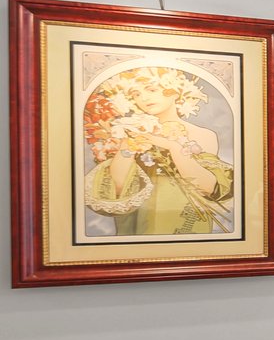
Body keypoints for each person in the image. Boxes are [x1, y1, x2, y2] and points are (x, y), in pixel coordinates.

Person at [82, 66, 233, 236]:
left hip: (187, 219)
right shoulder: (128, 132)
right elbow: (118, 186)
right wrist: (129, 144)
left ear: (175, 92)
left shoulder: (203, 135)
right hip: (140, 219)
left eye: (151, 89)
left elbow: (208, 187)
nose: (143, 98)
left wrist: (173, 148)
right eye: (136, 94)